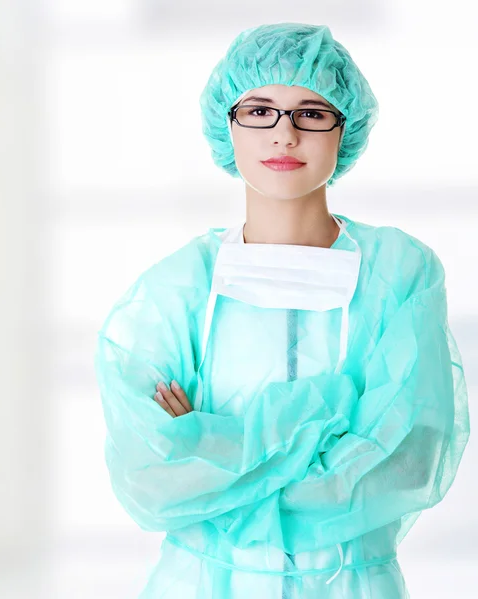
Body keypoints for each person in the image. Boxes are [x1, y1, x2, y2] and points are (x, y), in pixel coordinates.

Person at [93, 23, 470, 598]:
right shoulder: (178, 288)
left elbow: (405, 461)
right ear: (228, 125)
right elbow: (152, 472)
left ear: (345, 130)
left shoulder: (399, 273)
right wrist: (336, 425)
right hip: (202, 582)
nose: (284, 135)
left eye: (311, 113)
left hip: (350, 583)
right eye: (260, 110)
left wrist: (208, 441)